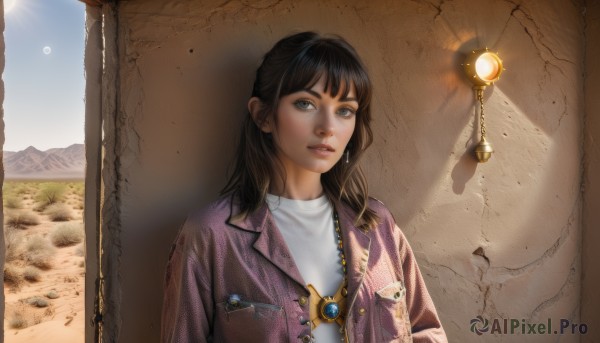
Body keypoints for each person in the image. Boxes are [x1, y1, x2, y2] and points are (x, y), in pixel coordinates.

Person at [161, 31, 447, 343]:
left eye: (345, 110)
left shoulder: (377, 225)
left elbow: (427, 333)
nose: (327, 126)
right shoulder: (212, 234)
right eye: (306, 103)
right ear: (263, 116)